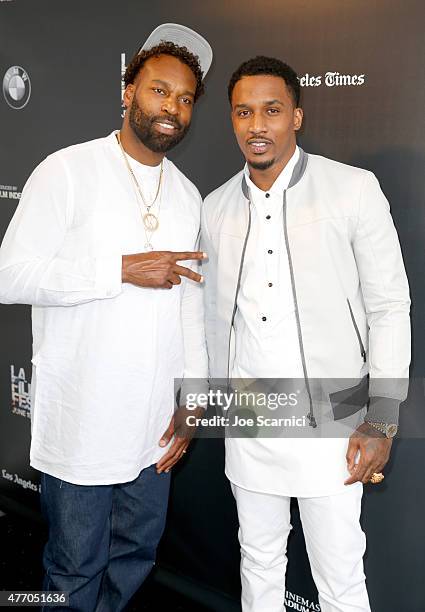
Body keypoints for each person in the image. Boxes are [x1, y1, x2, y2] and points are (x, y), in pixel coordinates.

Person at [0, 23, 211, 612]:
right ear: (127, 92)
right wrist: (119, 268)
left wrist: (194, 396)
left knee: (133, 559)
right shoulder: (65, 171)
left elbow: (191, 303)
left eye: (185, 97)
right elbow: (10, 276)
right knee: (73, 570)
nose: (171, 107)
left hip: (152, 428)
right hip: (82, 423)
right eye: (158, 90)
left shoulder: (188, 196)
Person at [201, 56, 410, 612]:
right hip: (250, 416)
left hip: (336, 419)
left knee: (340, 578)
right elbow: (209, 316)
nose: (257, 125)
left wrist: (383, 415)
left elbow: (390, 305)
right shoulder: (214, 207)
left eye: (271, 110)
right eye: (243, 112)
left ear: (297, 115)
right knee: (259, 562)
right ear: (231, 120)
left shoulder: (352, 190)